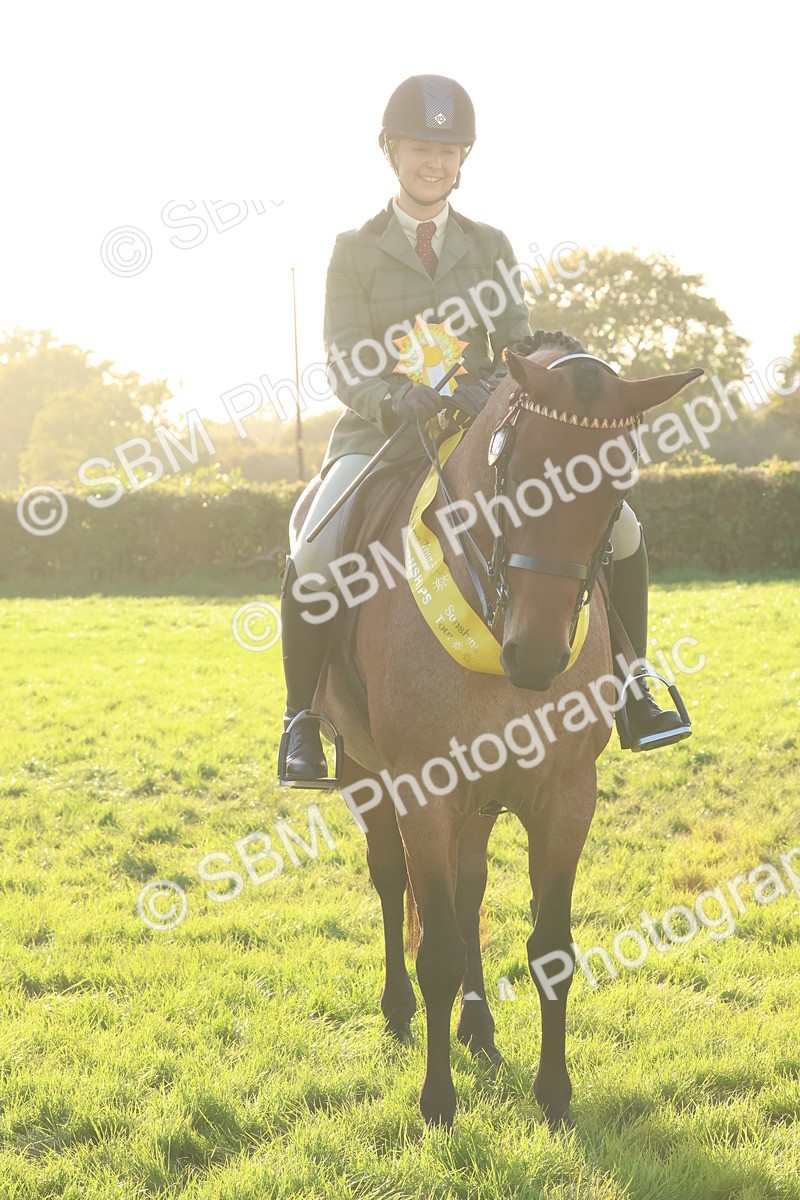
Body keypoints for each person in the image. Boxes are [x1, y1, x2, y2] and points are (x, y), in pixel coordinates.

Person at [278, 74, 690, 786]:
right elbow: (344, 358)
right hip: (382, 437)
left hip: (487, 434)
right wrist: (391, 398)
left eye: (448, 150)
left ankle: (633, 687)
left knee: (621, 528)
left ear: (462, 159)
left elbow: (520, 345)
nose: (434, 163)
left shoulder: (491, 245)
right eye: (420, 149)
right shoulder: (354, 249)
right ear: (391, 152)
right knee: (315, 549)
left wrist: (489, 388)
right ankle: (301, 723)